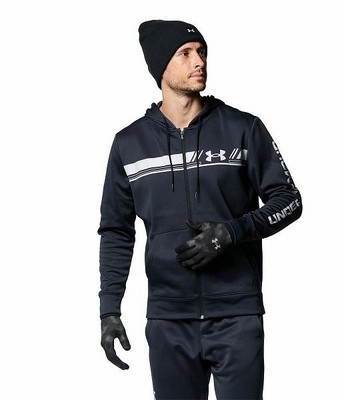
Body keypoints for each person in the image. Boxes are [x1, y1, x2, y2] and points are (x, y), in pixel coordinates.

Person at [98, 19, 302, 400]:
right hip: (168, 320)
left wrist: (232, 231)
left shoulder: (243, 129)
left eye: (202, 52)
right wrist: (109, 310)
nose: (199, 61)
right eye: (186, 53)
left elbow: (289, 200)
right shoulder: (129, 144)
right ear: (161, 66)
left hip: (236, 315)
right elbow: (116, 231)